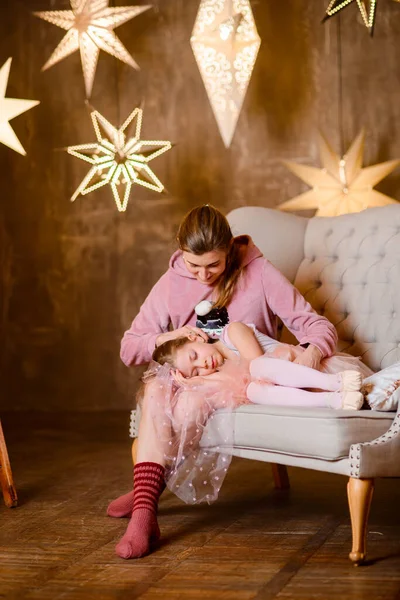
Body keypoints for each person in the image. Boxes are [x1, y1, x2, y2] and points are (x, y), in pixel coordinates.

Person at [110, 204, 339, 559]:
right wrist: (169, 336)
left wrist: (309, 358)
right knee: (156, 388)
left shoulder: (258, 272)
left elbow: (317, 326)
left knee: (188, 404)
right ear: (182, 255)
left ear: (230, 251)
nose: (203, 276)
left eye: (213, 265)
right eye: (194, 266)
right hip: (188, 369)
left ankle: (146, 493)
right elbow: (129, 348)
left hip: (235, 373)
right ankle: (146, 507)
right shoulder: (172, 281)